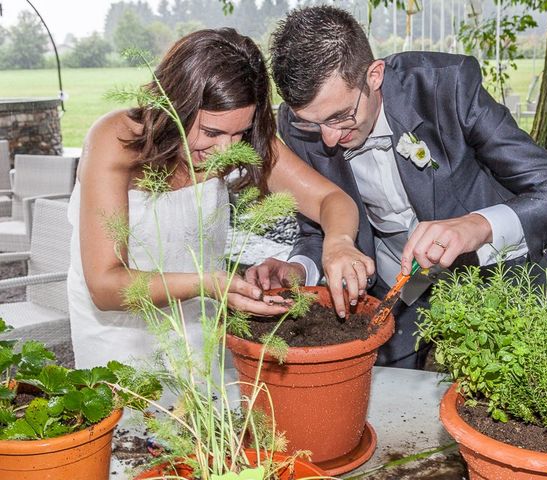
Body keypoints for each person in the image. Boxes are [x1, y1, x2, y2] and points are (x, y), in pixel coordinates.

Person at [247, 6, 547, 369]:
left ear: (374, 75)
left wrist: (476, 226)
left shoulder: (447, 87)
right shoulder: (301, 123)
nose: (329, 138)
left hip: (495, 277)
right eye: (314, 125)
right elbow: (319, 230)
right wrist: (300, 268)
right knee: (379, 392)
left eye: (340, 116)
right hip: (393, 289)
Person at [67, 28, 373, 369]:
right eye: (211, 132)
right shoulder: (116, 140)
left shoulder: (232, 142)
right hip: (118, 334)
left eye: (239, 132)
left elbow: (332, 199)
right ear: (175, 107)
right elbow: (105, 284)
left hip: (199, 322)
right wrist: (207, 284)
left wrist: (340, 243)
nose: (226, 150)